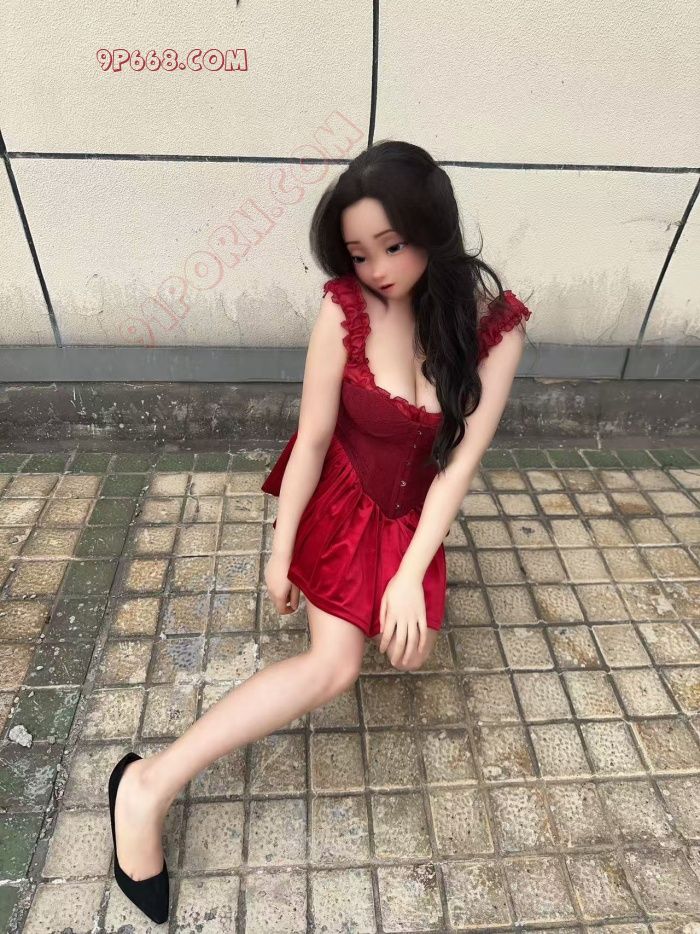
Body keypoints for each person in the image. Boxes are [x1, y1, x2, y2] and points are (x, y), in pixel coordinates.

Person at [107, 139, 534, 923]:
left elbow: (458, 466)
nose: (376, 269)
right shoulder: (345, 311)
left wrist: (407, 575)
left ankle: (153, 781)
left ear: (432, 229)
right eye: (358, 252)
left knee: (410, 650)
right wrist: (281, 552)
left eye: (392, 246)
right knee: (335, 667)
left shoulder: (494, 330)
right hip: (342, 502)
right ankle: (145, 786)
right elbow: (310, 439)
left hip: (410, 518)